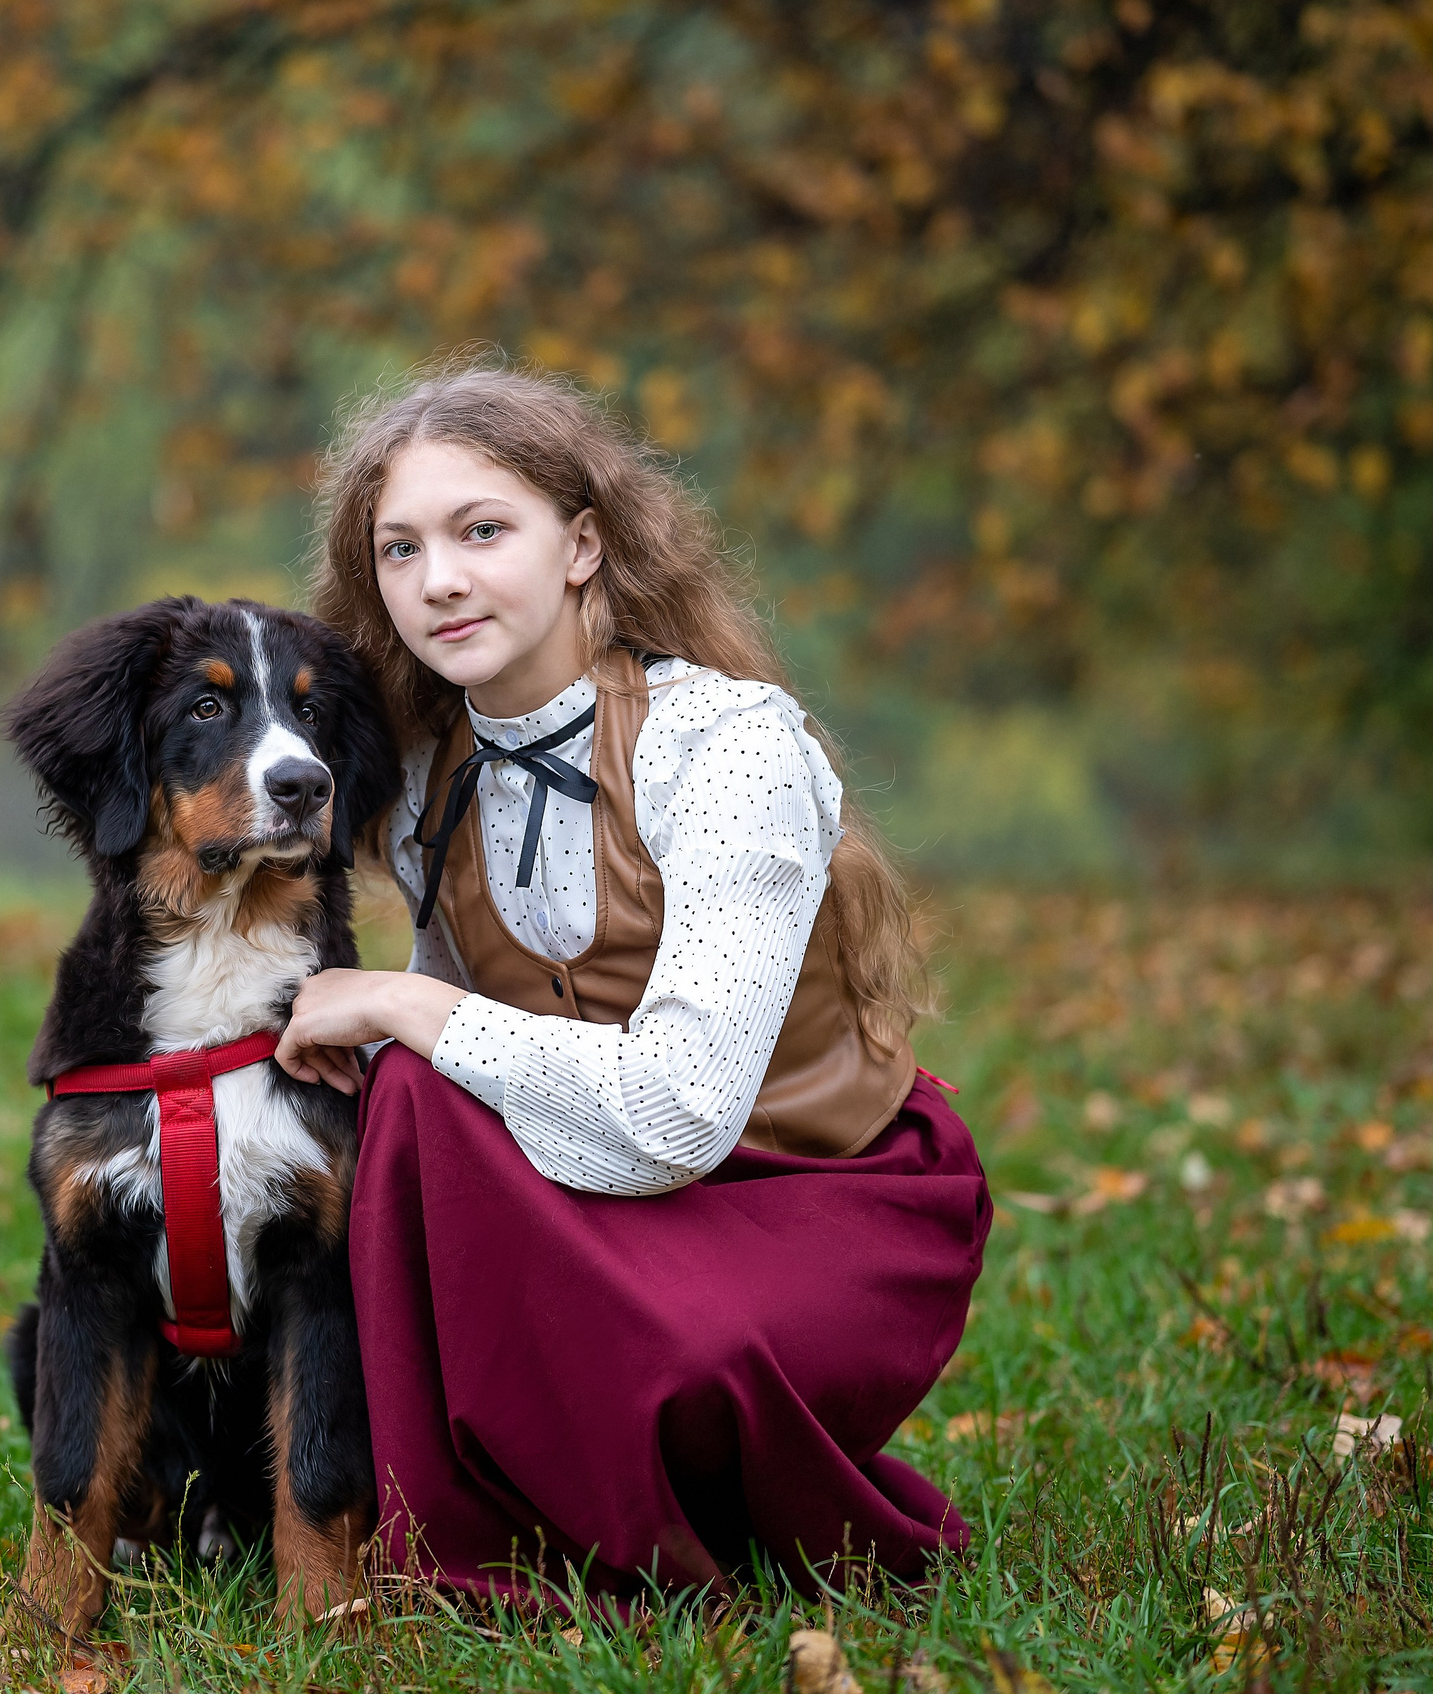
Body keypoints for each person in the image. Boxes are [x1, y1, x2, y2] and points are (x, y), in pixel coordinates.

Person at [273, 361, 990, 1605]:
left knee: (677, 1344)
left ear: (583, 546)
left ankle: (670, 1477)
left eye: (481, 529)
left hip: (809, 1193)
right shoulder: (424, 788)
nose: (436, 579)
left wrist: (399, 1002)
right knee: (409, 1104)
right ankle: (447, 1528)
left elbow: (675, 1116)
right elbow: (471, 1077)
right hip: (594, 1198)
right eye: (398, 549)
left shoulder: (726, 747)